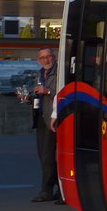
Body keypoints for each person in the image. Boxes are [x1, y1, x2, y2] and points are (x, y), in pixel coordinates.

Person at [30, 47, 61, 203]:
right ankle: (61, 188)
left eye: (48, 57)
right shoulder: (40, 73)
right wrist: (27, 97)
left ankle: (47, 190)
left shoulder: (60, 72)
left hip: (54, 118)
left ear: (54, 57)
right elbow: (37, 93)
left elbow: (64, 93)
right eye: (42, 58)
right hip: (41, 117)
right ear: (38, 60)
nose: (46, 60)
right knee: (43, 155)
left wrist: (48, 91)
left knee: (48, 156)